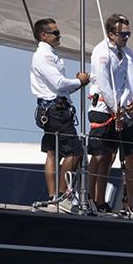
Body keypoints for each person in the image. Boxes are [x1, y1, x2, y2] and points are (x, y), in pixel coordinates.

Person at [87, 14, 133, 215]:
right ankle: (89, 198)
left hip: (123, 109)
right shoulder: (101, 52)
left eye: (128, 34)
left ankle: (101, 201)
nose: (127, 37)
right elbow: (103, 83)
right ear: (111, 34)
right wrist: (115, 110)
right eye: (123, 34)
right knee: (100, 155)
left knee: (110, 156)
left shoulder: (127, 52)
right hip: (104, 110)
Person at [30, 18, 90, 203]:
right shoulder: (44, 56)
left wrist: (78, 83)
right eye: (55, 33)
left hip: (51, 109)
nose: (59, 36)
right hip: (56, 111)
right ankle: (63, 194)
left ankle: (54, 194)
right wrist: (80, 81)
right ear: (43, 35)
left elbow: (62, 87)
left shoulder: (48, 55)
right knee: (75, 152)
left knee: (52, 152)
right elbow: (59, 83)